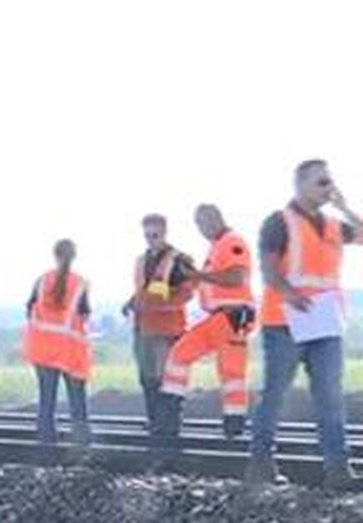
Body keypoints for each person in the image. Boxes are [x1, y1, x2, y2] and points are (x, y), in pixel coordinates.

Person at [246, 159, 363, 489]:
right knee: (275, 396)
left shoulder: (333, 225)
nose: (328, 188)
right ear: (300, 185)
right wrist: (290, 295)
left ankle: (338, 471)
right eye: (321, 182)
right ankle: (260, 463)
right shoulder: (278, 222)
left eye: (330, 182)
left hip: (324, 325)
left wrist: (346, 207)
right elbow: (268, 269)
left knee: (330, 396)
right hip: (284, 322)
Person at [156, 205, 255, 456]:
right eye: (198, 224)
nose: (202, 228)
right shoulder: (217, 246)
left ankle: (229, 429)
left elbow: (236, 278)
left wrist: (199, 275)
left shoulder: (232, 242)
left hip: (232, 317)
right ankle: (226, 426)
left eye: (204, 222)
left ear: (218, 218)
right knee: (192, 359)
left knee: (221, 370)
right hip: (225, 318)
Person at [122, 214, 194, 444]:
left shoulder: (180, 260)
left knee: (168, 382)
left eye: (155, 235)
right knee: (148, 380)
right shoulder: (141, 260)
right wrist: (132, 302)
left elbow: (186, 293)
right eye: (147, 235)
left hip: (169, 330)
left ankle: (170, 428)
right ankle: (156, 423)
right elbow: (144, 289)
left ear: (165, 232)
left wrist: (157, 305)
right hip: (144, 329)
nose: (151, 240)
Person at [23, 239, 92, 448]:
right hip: (69, 352)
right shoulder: (80, 284)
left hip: (43, 350)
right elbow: (84, 314)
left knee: (46, 400)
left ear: (55, 255)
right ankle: (81, 447)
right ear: (74, 256)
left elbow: (30, 310)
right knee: (77, 402)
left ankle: (45, 447)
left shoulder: (42, 281)